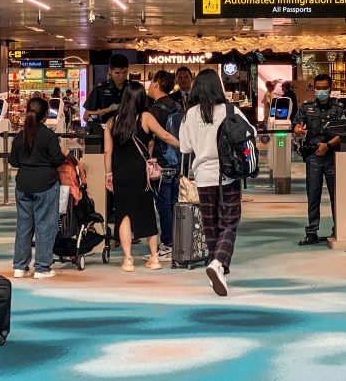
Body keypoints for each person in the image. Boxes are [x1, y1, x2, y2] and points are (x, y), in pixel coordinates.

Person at [178, 69, 258, 296]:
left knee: (210, 226)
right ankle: (219, 263)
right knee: (229, 223)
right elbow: (249, 133)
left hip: (202, 177)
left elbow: (185, 148)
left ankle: (216, 270)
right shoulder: (230, 111)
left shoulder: (190, 114)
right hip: (227, 176)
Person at [104, 80, 180, 272]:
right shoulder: (145, 117)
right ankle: (154, 257)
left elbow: (107, 152)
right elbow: (164, 136)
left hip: (120, 172)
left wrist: (109, 174)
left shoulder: (112, 121)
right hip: (141, 173)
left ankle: (128, 259)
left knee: (124, 215)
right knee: (146, 211)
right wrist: (184, 145)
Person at [9, 97, 67, 279]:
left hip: (23, 184)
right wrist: (63, 154)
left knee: (24, 225)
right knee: (45, 225)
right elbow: (57, 159)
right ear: (46, 114)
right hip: (45, 184)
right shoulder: (49, 135)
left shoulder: (20, 136)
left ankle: (20, 266)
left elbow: (13, 160)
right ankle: (42, 267)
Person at [293, 73, 346, 246]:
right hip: (313, 156)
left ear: (330, 88)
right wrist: (299, 131)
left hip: (332, 156)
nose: (321, 91)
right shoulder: (306, 107)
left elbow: (344, 132)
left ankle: (338, 229)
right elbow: (296, 125)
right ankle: (311, 231)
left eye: (325, 88)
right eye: (318, 88)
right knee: (313, 194)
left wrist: (328, 145)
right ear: (314, 88)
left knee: (336, 195)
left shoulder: (339, 108)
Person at [147, 70, 181, 259]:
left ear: (156, 84)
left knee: (163, 204)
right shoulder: (177, 106)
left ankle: (167, 243)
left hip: (161, 162)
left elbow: (153, 138)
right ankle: (176, 241)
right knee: (174, 203)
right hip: (176, 161)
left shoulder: (153, 110)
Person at [84, 54, 131, 128]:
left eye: (124, 72)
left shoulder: (133, 88)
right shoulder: (100, 89)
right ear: (110, 70)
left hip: (128, 130)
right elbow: (86, 116)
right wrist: (108, 110)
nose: (121, 76)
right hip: (106, 130)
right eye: (117, 73)